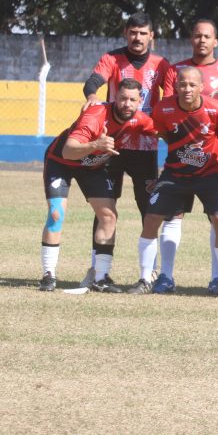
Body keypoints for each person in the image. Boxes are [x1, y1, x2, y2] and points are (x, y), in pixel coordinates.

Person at [154, 19, 218, 295]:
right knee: (172, 216)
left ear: (215, 41)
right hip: (180, 158)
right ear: (191, 39)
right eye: (197, 36)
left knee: (217, 218)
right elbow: (169, 111)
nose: (202, 40)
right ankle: (165, 277)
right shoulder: (175, 71)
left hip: (215, 158)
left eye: (207, 36)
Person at [79, 12, 170, 286]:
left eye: (143, 33)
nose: (137, 37)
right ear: (125, 33)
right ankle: (97, 269)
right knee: (104, 207)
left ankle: (149, 270)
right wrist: (92, 96)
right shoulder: (112, 58)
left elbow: (171, 98)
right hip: (112, 145)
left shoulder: (161, 64)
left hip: (146, 146)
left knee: (148, 208)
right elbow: (93, 81)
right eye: (133, 32)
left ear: (151, 36)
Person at [39, 80, 155, 292]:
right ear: (114, 98)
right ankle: (48, 274)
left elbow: (166, 131)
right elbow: (68, 151)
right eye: (122, 98)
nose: (127, 104)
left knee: (109, 216)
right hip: (61, 162)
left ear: (140, 101)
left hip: (91, 167)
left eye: (132, 100)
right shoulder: (95, 115)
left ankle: (101, 278)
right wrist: (96, 145)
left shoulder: (140, 120)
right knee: (56, 213)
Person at [127, 67, 218, 294]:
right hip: (175, 173)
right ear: (175, 86)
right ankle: (149, 278)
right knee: (152, 218)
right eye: (182, 84)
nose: (187, 89)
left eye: (192, 85)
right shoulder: (163, 108)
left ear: (202, 87)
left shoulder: (217, 110)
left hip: (209, 173)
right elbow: (164, 133)